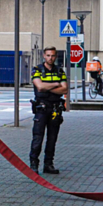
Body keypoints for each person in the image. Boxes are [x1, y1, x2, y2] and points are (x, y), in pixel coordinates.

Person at [29, 46, 67, 175]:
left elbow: (65, 89)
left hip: (55, 108)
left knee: (52, 138)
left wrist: (47, 87)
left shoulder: (60, 71)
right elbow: (39, 87)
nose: (50, 58)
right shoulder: (37, 70)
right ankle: (33, 164)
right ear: (44, 56)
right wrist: (56, 84)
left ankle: (48, 164)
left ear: (56, 56)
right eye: (48, 55)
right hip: (42, 108)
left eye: (53, 55)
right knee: (38, 137)